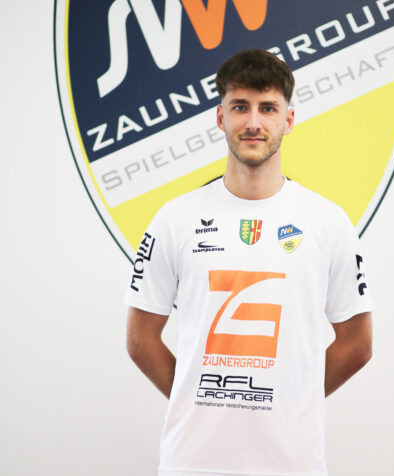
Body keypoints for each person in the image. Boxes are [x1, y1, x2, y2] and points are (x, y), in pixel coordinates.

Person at [124, 49, 374, 476]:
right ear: (220, 117)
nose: (254, 122)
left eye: (268, 108)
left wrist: (292, 404)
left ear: (288, 120)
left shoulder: (328, 222)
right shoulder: (175, 218)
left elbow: (358, 343)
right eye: (240, 107)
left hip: (292, 464)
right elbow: (139, 338)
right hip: (193, 463)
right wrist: (197, 402)